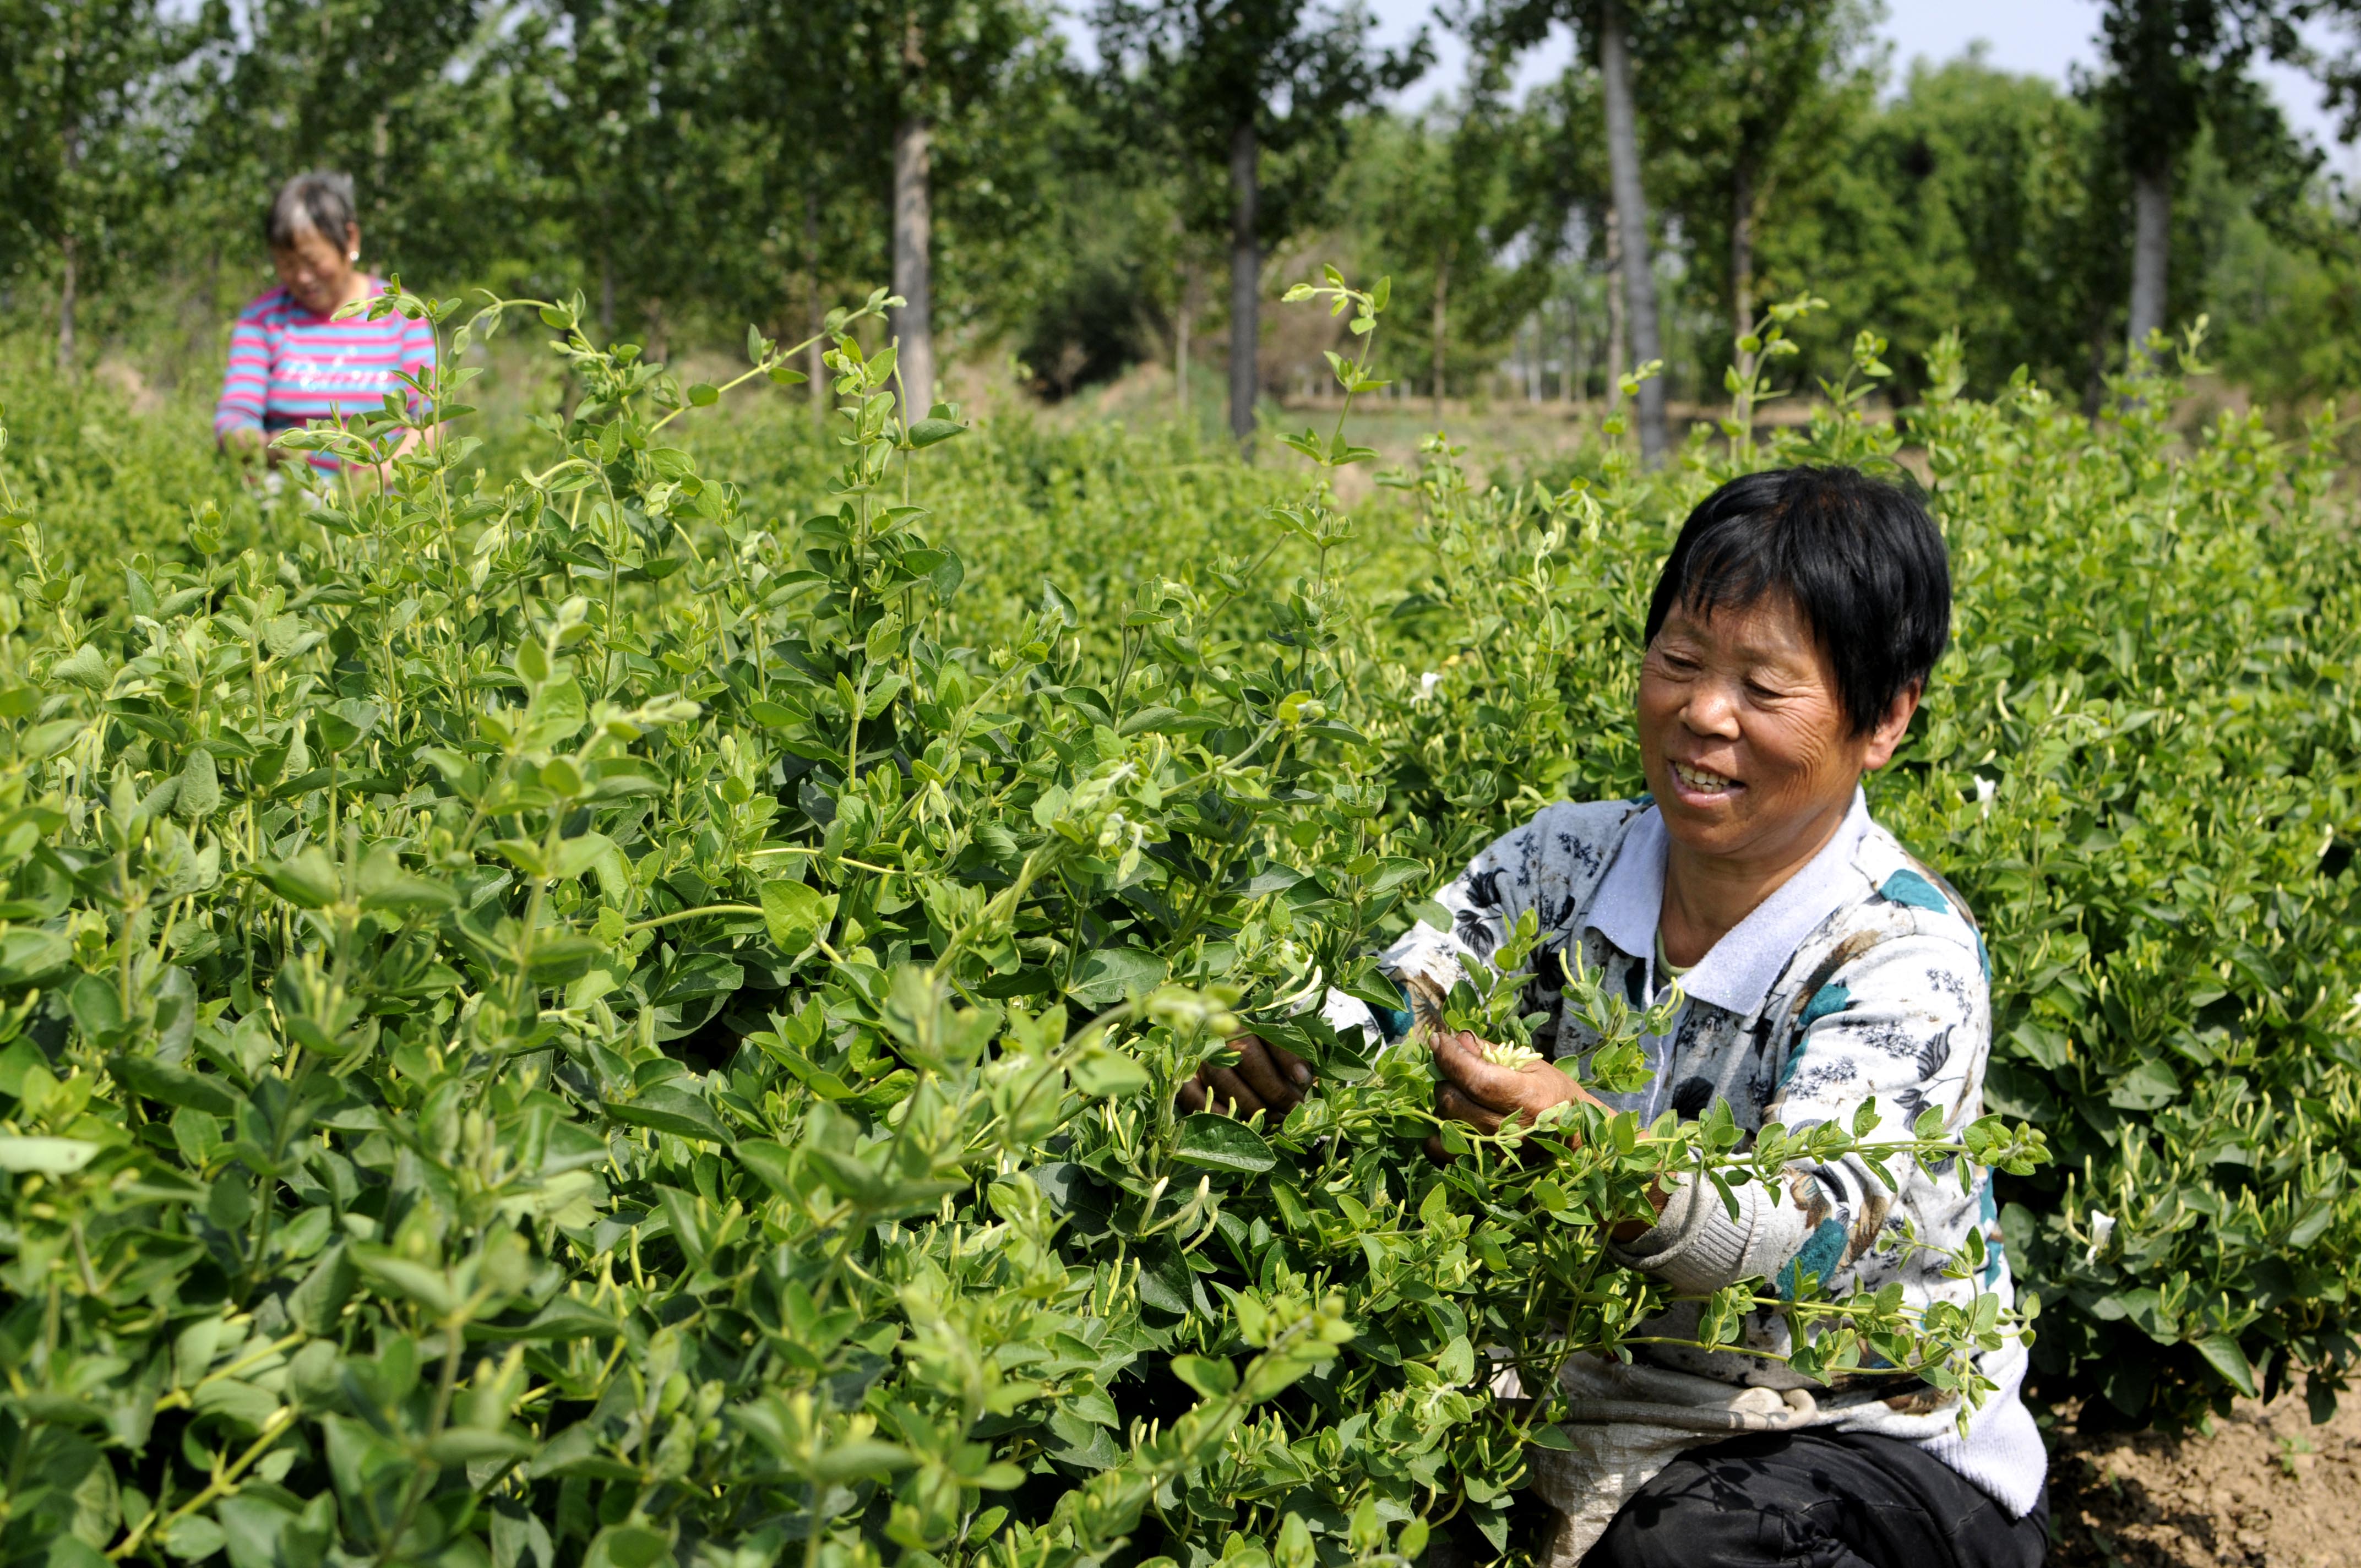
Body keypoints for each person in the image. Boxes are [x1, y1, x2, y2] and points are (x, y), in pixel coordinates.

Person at [1180, 466, 2046, 1568]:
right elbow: (1407, 1016)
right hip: (1583, 1386)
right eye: (1679, 662)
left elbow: (1809, 1229)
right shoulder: (1558, 860)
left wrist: (1598, 1155)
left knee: (1690, 1553)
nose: (1702, 712)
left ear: (1882, 718)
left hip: (1855, 1427)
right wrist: (1289, 1039)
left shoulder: (1899, 951)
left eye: (1763, 686)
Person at [213, 171, 435, 483]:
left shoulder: (401, 311)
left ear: (350, 240)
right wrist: (269, 448)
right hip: (289, 486)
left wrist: (373, 482)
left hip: (387, 489)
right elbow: (234, 417)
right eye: (287, 264)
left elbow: (431, 419)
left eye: (313, 261)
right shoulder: (262, 319)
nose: (303, 277)